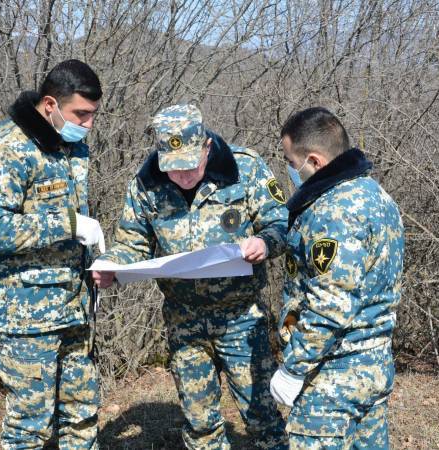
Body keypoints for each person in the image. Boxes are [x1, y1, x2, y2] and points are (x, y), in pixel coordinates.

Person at [93, 104, 289, 449]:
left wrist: (265, 242)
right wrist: (112, 265)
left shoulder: (245, 167)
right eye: (173, 169)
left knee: (262, 419)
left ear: (207, 148)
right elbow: (132, 243)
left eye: (190, 167)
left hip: (241, 318)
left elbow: (280, 222)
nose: (182, 176)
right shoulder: (145, 186)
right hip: (184, 320)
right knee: (200, 424)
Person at [0, 59, 105, 449]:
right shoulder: (6, 149)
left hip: (74, 308)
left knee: (82, 417)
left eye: (93, 115)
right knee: (29, 428)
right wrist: (69, 224)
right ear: (50, 104)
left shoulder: (71, 148)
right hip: (26, 317)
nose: (88, 124)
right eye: (81, 114)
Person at [269, 107, 404, 449]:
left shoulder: (333, 212)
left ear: (313, 161)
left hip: (333, 377)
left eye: (290, 160)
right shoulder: (376, 196)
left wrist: (294, 367)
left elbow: (331, 305)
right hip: (373, 364)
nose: (289, 169)